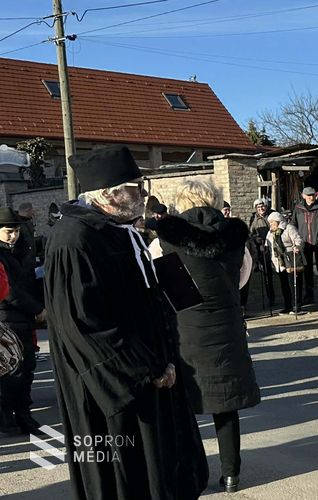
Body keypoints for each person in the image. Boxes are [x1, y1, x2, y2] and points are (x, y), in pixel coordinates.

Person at [45, 145, 208, 500]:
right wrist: (146, 369)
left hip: (156, 373)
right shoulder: (75, 239)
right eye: (136, 188)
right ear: (108, 193)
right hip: (118, 389)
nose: (144, 195)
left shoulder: (120, 230)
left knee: (162, 473)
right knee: (127, 476)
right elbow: (83, 323)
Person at [149, 179, 259, 493]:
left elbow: (164, 286)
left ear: (181, 204)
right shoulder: (235, 235)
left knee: (183, 404)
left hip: (187, 325)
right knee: (225, 404)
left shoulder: (165, 239)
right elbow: (243, 273)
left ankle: (189, 471)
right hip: (227, 323)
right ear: (213, 201)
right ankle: (231, 474)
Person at [0, 208, 43, 435]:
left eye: (15, 231)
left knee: (27, 368)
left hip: (25, 317)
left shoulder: (22, 249)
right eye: (8, 231)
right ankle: (7, 415)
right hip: (6, 317)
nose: (12, 236)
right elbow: (9, 292)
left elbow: (29, 281)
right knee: (10, 370)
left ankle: (24, 413)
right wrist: (37, 308)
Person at [292, 187, 318, 306]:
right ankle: (309, 296)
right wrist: (296, 239)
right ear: (303, 196)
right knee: (307, 270)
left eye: (313, 195)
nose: (311, 197)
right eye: (309, 195)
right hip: (304, 243)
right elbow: (293, 224)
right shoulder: (298, 209)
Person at [266, 212, 304, 315]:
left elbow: (298, 239)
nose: (271, 224)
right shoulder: (270, 232)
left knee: (294, 283)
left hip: (291, 258)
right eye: (270, 222)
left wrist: (297, 246)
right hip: (279, 261)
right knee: (284, 284)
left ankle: (296, 305)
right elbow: (268, 245)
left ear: (278, 221)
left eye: (272, 222)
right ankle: (287, 305)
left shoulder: (289, 228)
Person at [247, 198, 277, 310]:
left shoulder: (272, 214)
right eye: (258, 207)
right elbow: (251, 233)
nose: (261, 209)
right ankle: (271, 298)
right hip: (262, 249)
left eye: (262, 206)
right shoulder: (253, 218)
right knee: (267, 275)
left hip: (274, 246)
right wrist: (257, 240)